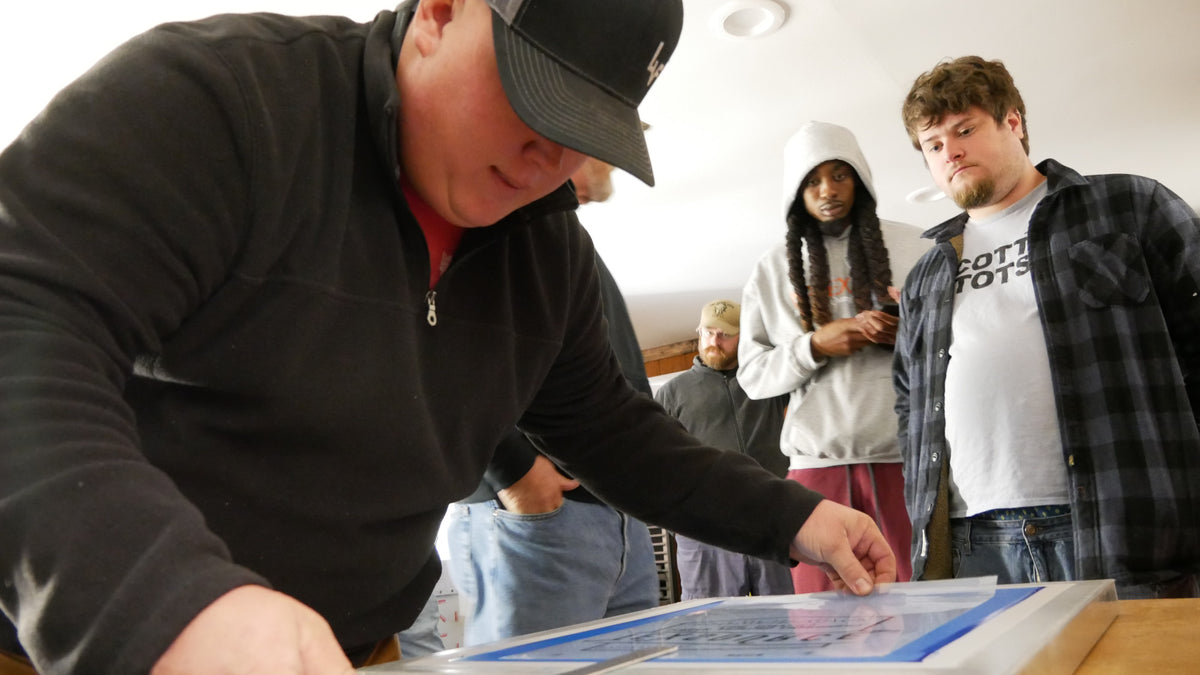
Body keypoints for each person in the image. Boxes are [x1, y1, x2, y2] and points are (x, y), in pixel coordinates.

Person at [0, 0, 898, 672]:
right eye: (535, 96)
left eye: (584, 129)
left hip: (356, 647)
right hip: (81, 633)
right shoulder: (223, 101)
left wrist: (797, 517)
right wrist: (160, 606)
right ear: (437, 11)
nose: (550, 158)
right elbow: (21, 326)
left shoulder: (548, 253)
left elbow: (619, 434)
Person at [895, 55, 1200, 598]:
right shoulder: (925, 275)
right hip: (972, 541)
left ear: (1012, 122)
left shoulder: (1129, 206)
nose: (951, 152)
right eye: (934, 145)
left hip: (1124, 529)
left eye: (964, 129)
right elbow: (908, 401)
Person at [446, 158, 659, 646]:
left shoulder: (566, 246)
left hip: (616, 514)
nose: (606, 177)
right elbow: (437, 350)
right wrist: (514, 470)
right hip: (539, 513)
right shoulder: (484, 224)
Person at [738, 121, 926, 593]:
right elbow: (753, 377)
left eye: (840, 175)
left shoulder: (919, 246)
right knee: (826, 628)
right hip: (815, 469)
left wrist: (907, 337)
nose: (828, 190)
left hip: (905, 460)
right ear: (795, 192)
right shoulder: (770, 270)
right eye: (812, 180)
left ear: (860, 179)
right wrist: (815, 346)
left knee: (921, 608)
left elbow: (960, 345)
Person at [655, 300, 793, 599]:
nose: (715, 341)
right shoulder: (672, 393)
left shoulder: (767, 380)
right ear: (699, 332)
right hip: (704, 529)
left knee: (787, 619)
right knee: (709, 627)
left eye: (726, 334)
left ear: (744, 336)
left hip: (771, 522)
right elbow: (658, 461)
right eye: (708, 332)